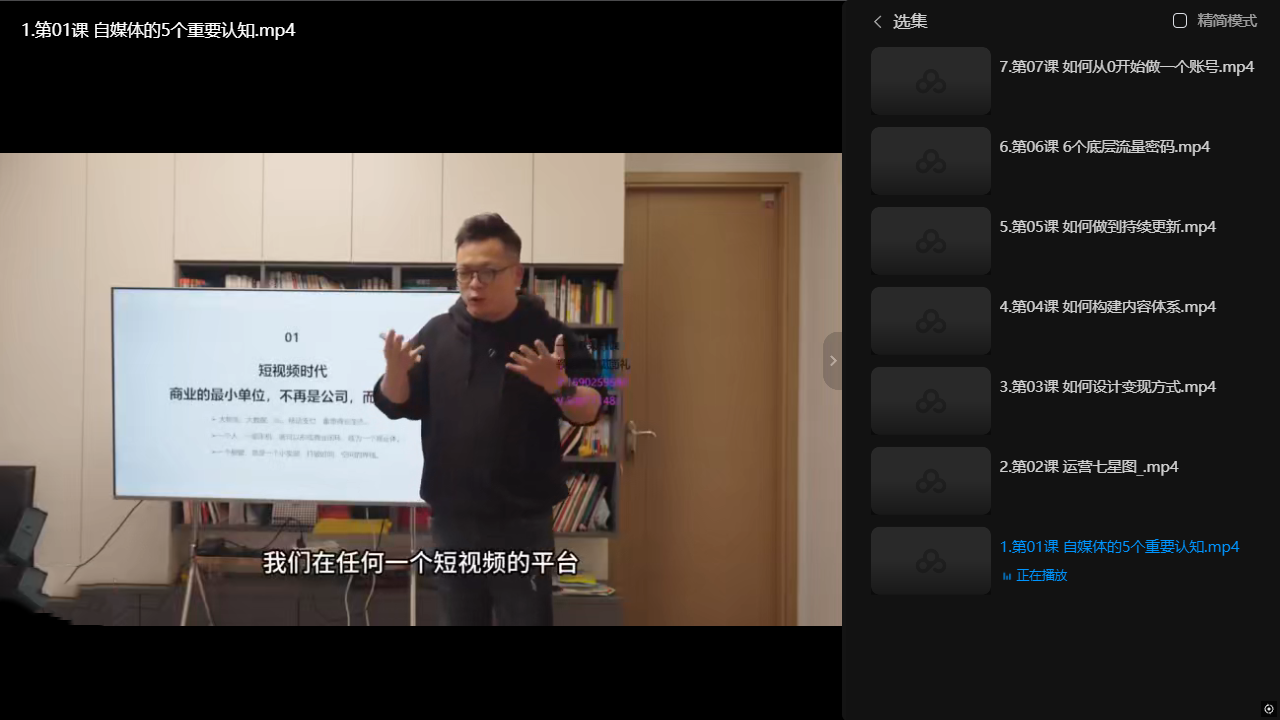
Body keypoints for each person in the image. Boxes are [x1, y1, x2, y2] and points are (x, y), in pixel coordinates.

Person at [372, 212, 603, 626]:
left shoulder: (550, 335)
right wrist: (394, 372)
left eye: (487, 273)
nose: (474, 284)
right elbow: (396, 404)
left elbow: (593, 407)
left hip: (522, 523)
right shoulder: (437, 333)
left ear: (516, 274)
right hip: (453, 522)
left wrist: (559, 385)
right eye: (464, 273)